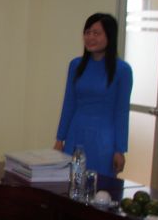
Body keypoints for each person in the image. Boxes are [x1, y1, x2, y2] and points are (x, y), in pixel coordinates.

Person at [54, 13, 133, 177]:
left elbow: (122, 112)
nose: (90, 37)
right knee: (70, 182)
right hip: (76, 133)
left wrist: (120, 149)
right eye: (87, 32)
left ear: (109, 36)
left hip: (103, 138)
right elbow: (69, 103)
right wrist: (60, 139)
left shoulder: (122, 70)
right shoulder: (76, 65)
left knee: (100, 185)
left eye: (96, 33)